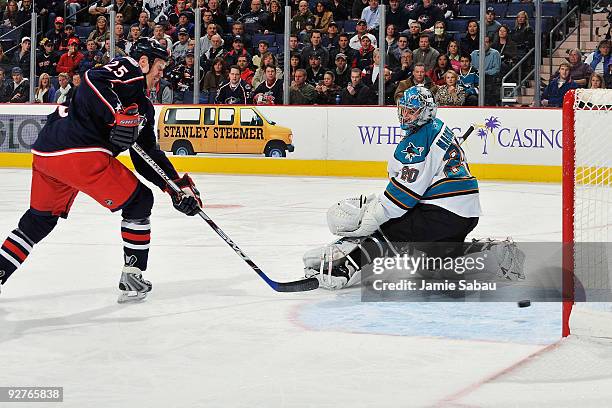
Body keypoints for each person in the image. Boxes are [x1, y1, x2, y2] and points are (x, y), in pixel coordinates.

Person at [0, 38, 202, 301]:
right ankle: (133, 277)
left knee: (38, 222)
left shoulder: (144, 108)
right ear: (143, 62)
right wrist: (117, 114)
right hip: (79, 152)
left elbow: (147, 156)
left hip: (48, 154)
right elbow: (92, 78)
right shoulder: (129, 70)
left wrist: (175, 187)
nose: (161, 75)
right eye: (159, 67)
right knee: (139, 201)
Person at [302, 86, 524, 289]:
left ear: (426, 112)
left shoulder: (417, 141)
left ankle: (343, 267)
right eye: (405, 110)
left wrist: (373, 218)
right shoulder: (438, 127)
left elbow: (404, 196)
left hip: (443, 211)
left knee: (389, 228)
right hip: (465, 212)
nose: (405, 115)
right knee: (432, 266)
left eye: (412, 111)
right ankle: (490, 254)